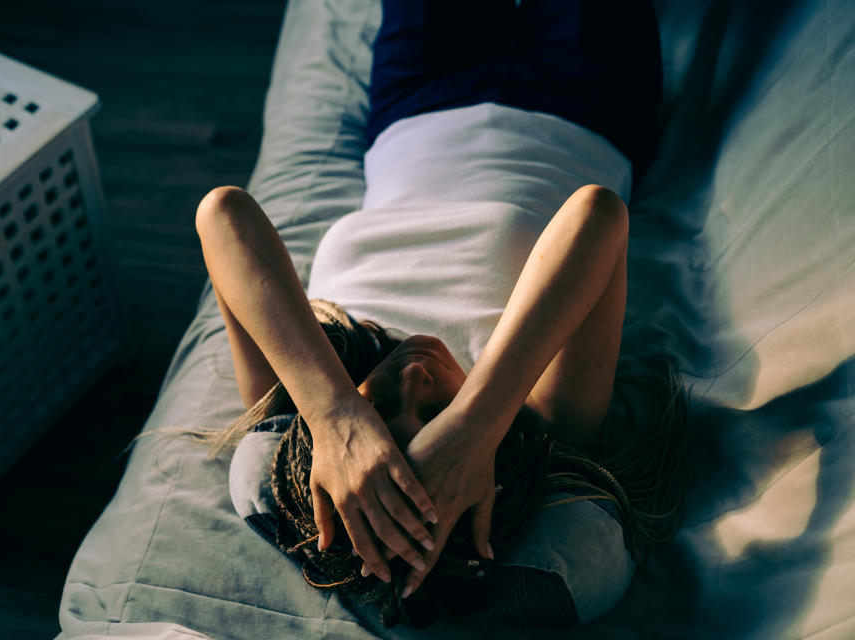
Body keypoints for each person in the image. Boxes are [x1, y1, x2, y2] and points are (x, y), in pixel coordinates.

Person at [178, 0, 685, 628]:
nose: (412, 380)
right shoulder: (547, 419)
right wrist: (476, 427)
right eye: (435, 414)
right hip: (583, 105)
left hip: (415, 105)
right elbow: (596, 213)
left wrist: (336, 414)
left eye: (382, 411)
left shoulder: (319, 388)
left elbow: (222, 214)